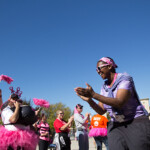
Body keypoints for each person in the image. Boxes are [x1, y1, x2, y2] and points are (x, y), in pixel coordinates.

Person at [75, 57, 150, 150]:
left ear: (109, 66)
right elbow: (101, 110)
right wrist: (89, 100)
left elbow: (119, 102)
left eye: (99, 68)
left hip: (135, 122)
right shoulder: (104, 87)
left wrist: (94, 94)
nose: (98, 71)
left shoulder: (124, 79)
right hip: (116, 125)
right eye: (96, 70)